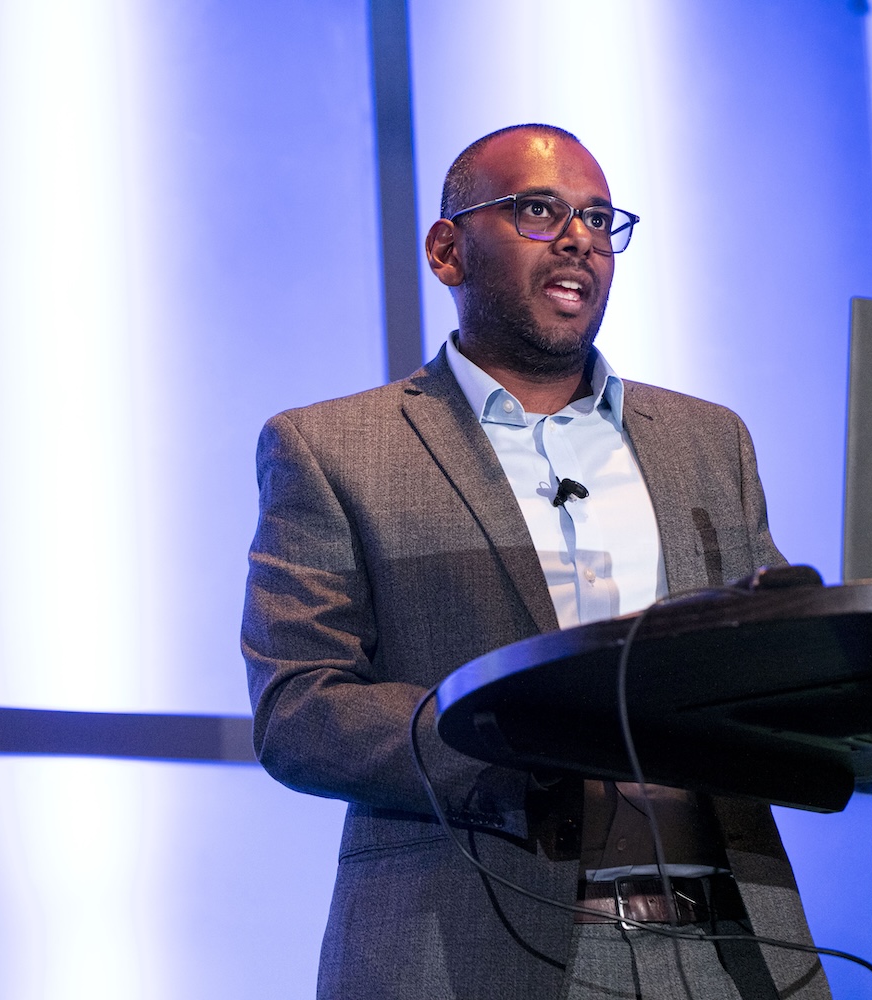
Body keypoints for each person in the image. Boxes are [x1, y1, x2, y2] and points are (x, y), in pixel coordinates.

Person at [242, 124, 832, 1000]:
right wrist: (516, 743)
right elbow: (300, 709)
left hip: (728, 949)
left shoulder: (711, 441)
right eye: (538, 210)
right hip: (472, 942)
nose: (580, 238)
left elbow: (777, 686)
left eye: (599, 219)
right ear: (448, 250)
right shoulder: (333, 448)